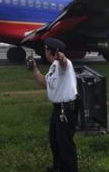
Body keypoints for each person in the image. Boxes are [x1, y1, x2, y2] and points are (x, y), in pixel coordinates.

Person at [31, 38, 78, 172]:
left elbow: (63, 63)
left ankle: (69, 169)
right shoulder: (53, 67)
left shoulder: (64, 64)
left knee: (65, 143)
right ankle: (58, 166)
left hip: (66, 108)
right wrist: (34, 69)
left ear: (50, 51)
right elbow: (45, 83)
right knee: (55, 140)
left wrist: (61, 57)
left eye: (46, 49)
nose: (44, 51)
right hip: (58, 108)